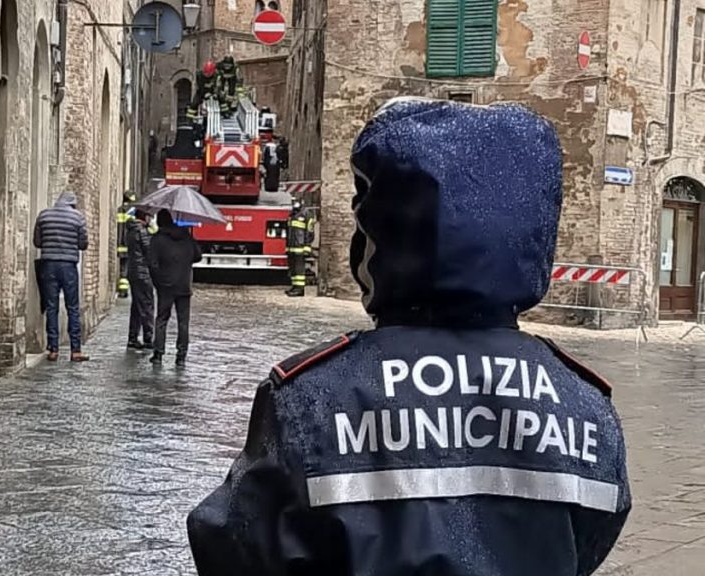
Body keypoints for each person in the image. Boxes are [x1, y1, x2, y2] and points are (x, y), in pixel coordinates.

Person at [186, 99, 631, 575]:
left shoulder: (311, 399)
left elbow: (235, 546)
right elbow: (590, 540)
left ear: (380, 236)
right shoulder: (586, 408)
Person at [33, 191, 89, 362]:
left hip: (48, 264)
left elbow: (37, 242)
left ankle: (53, 349)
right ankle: (75, 350)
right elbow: (83, 244)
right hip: (68, 266)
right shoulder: (78, 218)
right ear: (72, 204)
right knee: (73, 307)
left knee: (51, 307)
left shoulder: (44, 215)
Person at [148, 210, 202, 367]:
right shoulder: (186, 237)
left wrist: (158, 281)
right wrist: (191, 238)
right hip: (184, 286)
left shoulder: (157, 239)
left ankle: (158, 354)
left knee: (161, 320)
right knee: (183, 322)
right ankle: (181, 356)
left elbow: (152, 263)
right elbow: (198, 256)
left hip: (165, 286)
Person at [126, 209, 155, 350]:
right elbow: (150, 252)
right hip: (143, 272)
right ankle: (148, 338)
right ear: (145, 217)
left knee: (137, 306)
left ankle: (132, 338)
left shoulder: (131, 230)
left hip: (133, 271)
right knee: (147, 305)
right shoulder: (142, 231)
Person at [284, 200, 309, 297]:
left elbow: (309, 232)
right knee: (293, 268)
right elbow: (289, 233)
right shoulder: (292, 215)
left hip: (300, 247)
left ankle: (300, 289)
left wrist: (307, 246)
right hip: (292, 247)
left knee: (299, 269)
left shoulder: (306, 214)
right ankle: (295, 286)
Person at [116, 190, 138, 298]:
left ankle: (122, 291)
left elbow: (120, 228)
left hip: (122, 244)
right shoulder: (135, 211)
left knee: (123, 268)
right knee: (133, 268)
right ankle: (129, 289)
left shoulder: (120, 210)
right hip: (132, 244)